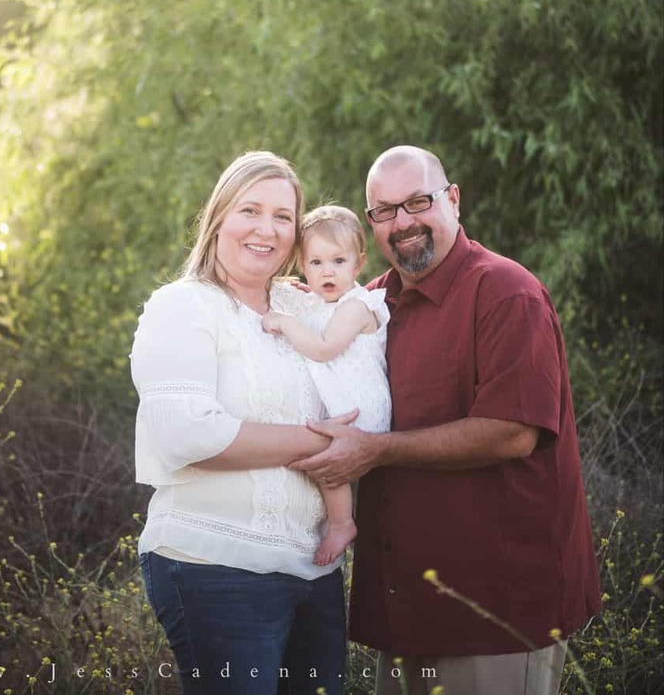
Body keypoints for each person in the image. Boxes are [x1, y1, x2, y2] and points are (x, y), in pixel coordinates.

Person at [291, 146, 602, 695]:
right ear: (370, 227)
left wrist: (377, 449)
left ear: (453, 199)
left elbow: (511, 432)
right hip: (406, 601)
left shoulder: (508, 294)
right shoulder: (371, 303)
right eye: (386, 211)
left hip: (495, 607)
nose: (403, 222)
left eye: (418, 202)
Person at [130, 151, 354, 695]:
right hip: (215, 566)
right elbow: (187, 434)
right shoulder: (183, 306)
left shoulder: (304, 311)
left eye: (283, 216)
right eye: (249, 210)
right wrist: (323, 443)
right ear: (218, 218)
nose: (266, 229)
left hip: (314, 569)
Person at [262, 205, 391, 566]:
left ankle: (341, 523)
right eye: (316, 263)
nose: (327, 271)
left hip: (360, 411)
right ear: (302, 264)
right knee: (316, 452)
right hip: (342, 404)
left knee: (324, 458)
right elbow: (314, 313)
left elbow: (323, 348)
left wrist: (285, 322)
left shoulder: (357, 306)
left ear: (359, 263)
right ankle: (334, 521)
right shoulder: (324, 303)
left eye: (338, 261)